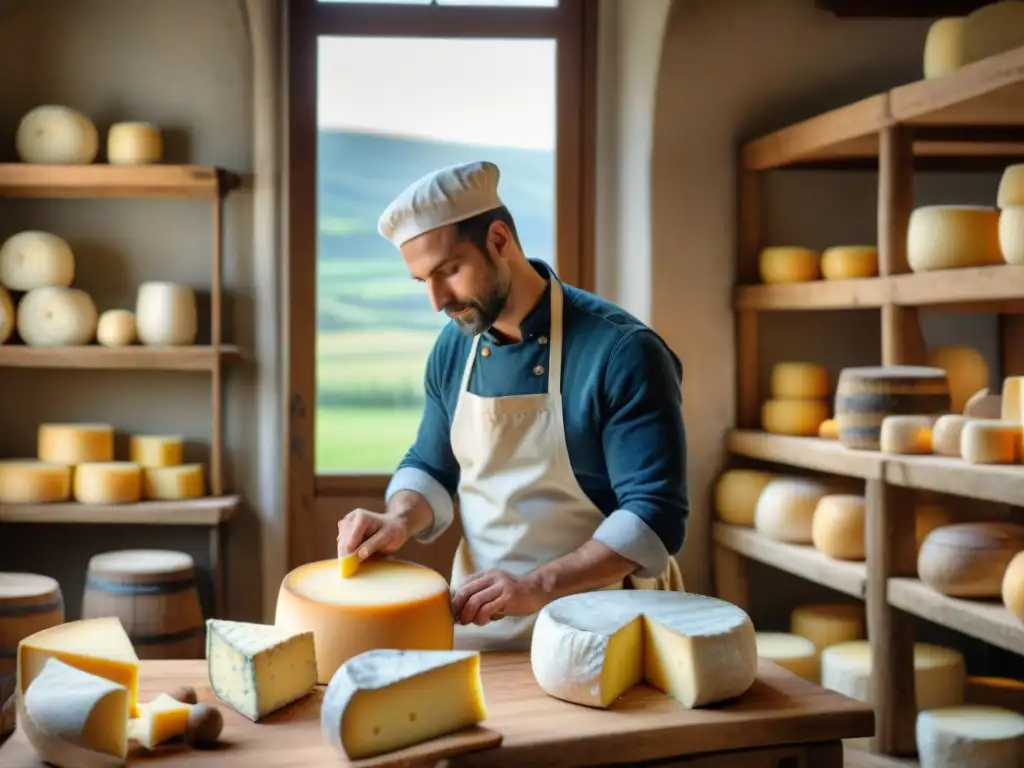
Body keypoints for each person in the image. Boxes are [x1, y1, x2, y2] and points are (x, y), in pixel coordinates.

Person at [336, 160, 688, 652]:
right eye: (423, 282)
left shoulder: (622, 352)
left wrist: (535, 587)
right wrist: (398, 519)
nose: (437, 300)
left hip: (608, 628)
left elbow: (654, 514)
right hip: (482, 624)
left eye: (449, 271)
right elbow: (431, 465)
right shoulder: (454, 347)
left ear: (499, 240)